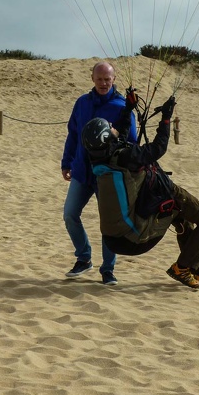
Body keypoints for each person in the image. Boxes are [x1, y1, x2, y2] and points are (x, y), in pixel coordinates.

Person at [81, 92, 199, 289]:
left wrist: (128, 108)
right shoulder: (127, 157)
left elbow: (118, 131)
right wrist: (165, 118)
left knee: (180, 216)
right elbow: (158, 148)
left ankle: (198, 271)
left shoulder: (100, 157)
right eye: (109, 128)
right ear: (106, 137)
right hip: (135, 239)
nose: (113, 128)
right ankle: (182, 268)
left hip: (114, 240)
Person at [61, 61, 137, 285]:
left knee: (109, 223)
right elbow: (73, 134)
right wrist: (67, 162)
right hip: (82, 172)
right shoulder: (82, 103)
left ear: (113, 80)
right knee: (69, 214)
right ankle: (84, 258)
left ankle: (108, 269)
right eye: (100, 79)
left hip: (107, 175)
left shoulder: (122, 106)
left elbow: (131, 140)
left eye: (107, 79)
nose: (103, 83)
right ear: (92, 79)